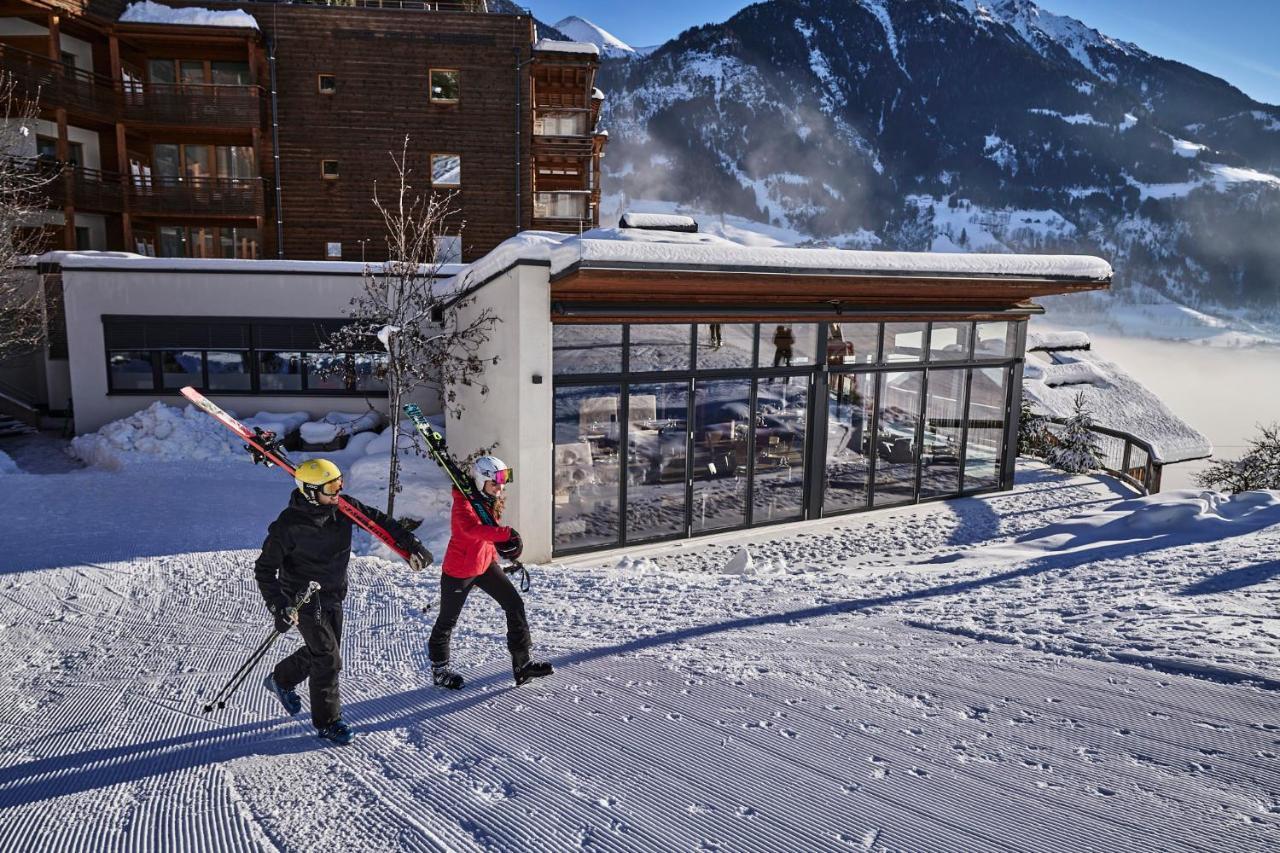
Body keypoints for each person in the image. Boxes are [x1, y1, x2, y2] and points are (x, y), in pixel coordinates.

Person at [257, 458, 432, 746]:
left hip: (333, 591)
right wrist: (279, 605)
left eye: (340, 483)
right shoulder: (287, 525)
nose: (338, 490)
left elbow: (380, 522)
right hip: (302, 596)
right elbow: (264, 569)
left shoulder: (343, 507)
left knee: (324, 650)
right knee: (328, 658)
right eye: (331, 486)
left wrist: (411, 545)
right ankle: (328, 722)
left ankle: (282, 678)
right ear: (311, 491)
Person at [429, 455, 553, 690]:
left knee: (515, 604)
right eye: (495, 482)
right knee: (447, 621)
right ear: (480, 481)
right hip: (460, 570)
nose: (500, 487)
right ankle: (440, 670)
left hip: (485, 565)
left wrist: (502, 549)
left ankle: (522, 664)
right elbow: (470, 530)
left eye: (504, 480)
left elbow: (488, 533)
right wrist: (506, 534)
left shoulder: (485, 498)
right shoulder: (463, 503)